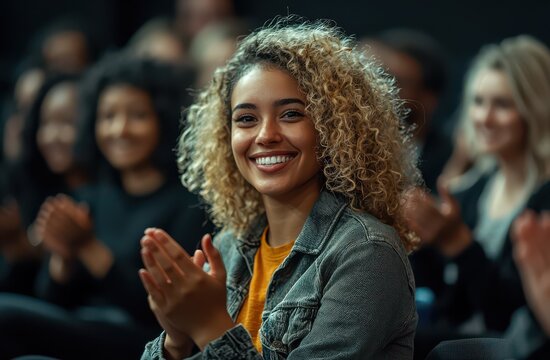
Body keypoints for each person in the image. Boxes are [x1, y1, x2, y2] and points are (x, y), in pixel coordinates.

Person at [140, 18, 419, 359]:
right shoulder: (230, 245)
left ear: (333, 127)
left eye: (290, 114)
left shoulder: (368, 252)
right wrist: (176, 340)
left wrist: (208, 325)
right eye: (246, 119)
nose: (265, 135)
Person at [0, 55, 211, 359]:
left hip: (146, 342)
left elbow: (160, 309)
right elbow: (52, 298)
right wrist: (63, 257)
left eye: (137, 116)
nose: (119, 129)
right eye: (108, 117)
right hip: (80, 327)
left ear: (162, 119)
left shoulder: (188, 204)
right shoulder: (90, 196)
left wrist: (88, 247)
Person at [403, 35, 550, 357]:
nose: (483, 118)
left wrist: (457, 243)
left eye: (502, 104)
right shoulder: (471, 190)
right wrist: (425, 241)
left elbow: (510, 317)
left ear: (534, 109)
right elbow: (446, 300)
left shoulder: (544, 200)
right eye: (478, 102)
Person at [0, 74, 85, 296]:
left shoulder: (101, 193)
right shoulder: (33, 187)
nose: (52, 136)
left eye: (67, 123)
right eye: (45, 123)